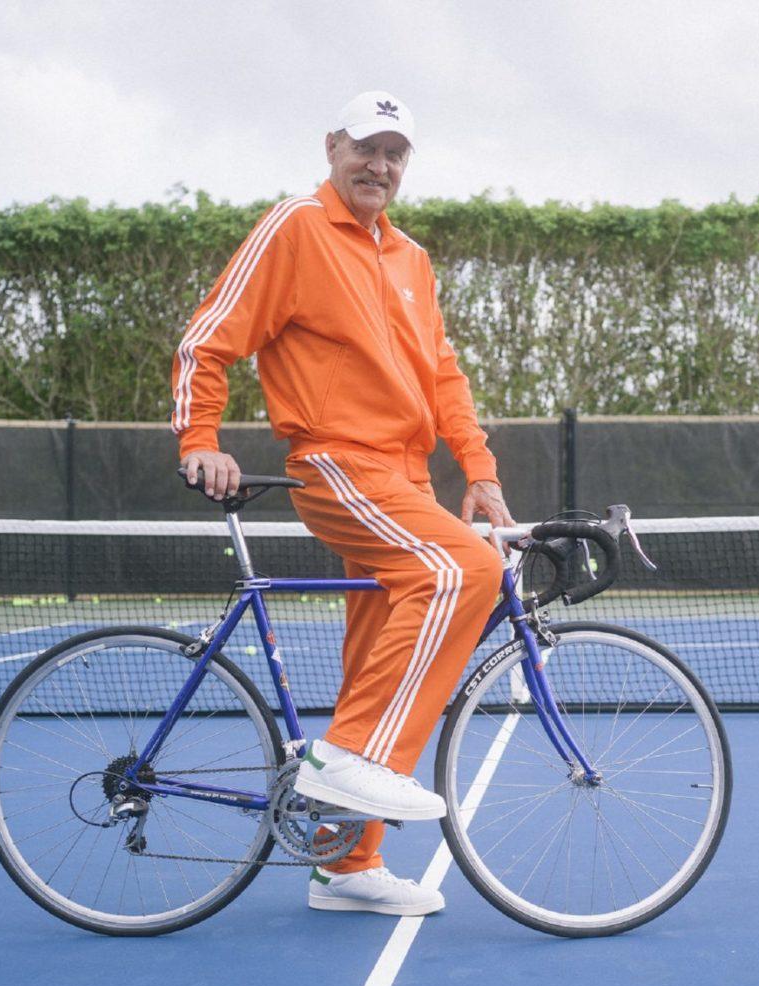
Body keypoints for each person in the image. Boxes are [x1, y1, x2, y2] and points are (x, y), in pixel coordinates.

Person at [171, 90, 514, 916]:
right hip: (338, 465)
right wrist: (199, 438)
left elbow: (443, 375)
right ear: (332, 147)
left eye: (395, 153)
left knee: (380, 666)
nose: (379, 166)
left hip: (405, 478)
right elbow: (206, 340)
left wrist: (478, 467)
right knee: (463, 571)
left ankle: (346, 863)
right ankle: (343, 759)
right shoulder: (294, 227)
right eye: (366, 147)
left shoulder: (411, 258)